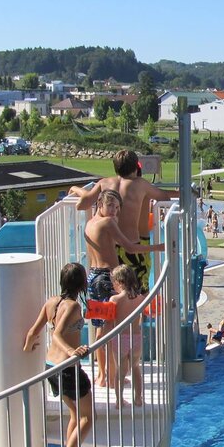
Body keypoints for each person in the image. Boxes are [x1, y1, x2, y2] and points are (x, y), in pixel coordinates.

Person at [24, 263, 94, 447]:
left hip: (51, 366)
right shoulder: (73, 306)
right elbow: (57, 334)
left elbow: (33, 332)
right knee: (87, 418)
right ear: (82, 283)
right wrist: (72, 351)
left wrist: (27, 350)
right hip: (67, 367)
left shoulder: (51, 302)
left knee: (75, 414)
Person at [84, 189, 164, 385]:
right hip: (107, 278)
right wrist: (158, 247)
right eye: (110, 205)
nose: (114, 211)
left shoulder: (90, 223)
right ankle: (112, 377)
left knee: (100, 328)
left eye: (117, 207)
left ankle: (102, 375)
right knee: (110, 329)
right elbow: (130, 247)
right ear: (100, 204)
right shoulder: (108, 223)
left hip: (93, 277)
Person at [69, 149, 174, 291]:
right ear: (135, 166)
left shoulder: (104, 183)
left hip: (109, 250)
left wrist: (76, 189)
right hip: (132, 247)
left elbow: (83, 204)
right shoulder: (140, 184)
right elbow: (164, 197)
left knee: (114, 292)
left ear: (115, 167)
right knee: (137, 293)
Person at [108, 265, 146, 408]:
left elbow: (110, 320)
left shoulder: (115, 299)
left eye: (114, 282)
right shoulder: (140, 298)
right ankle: (138, 398)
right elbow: (143, 317)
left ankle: (119, 401)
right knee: (135, 367)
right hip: (135, 337)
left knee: (121, 370)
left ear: (119, 281)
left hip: (120, 338)